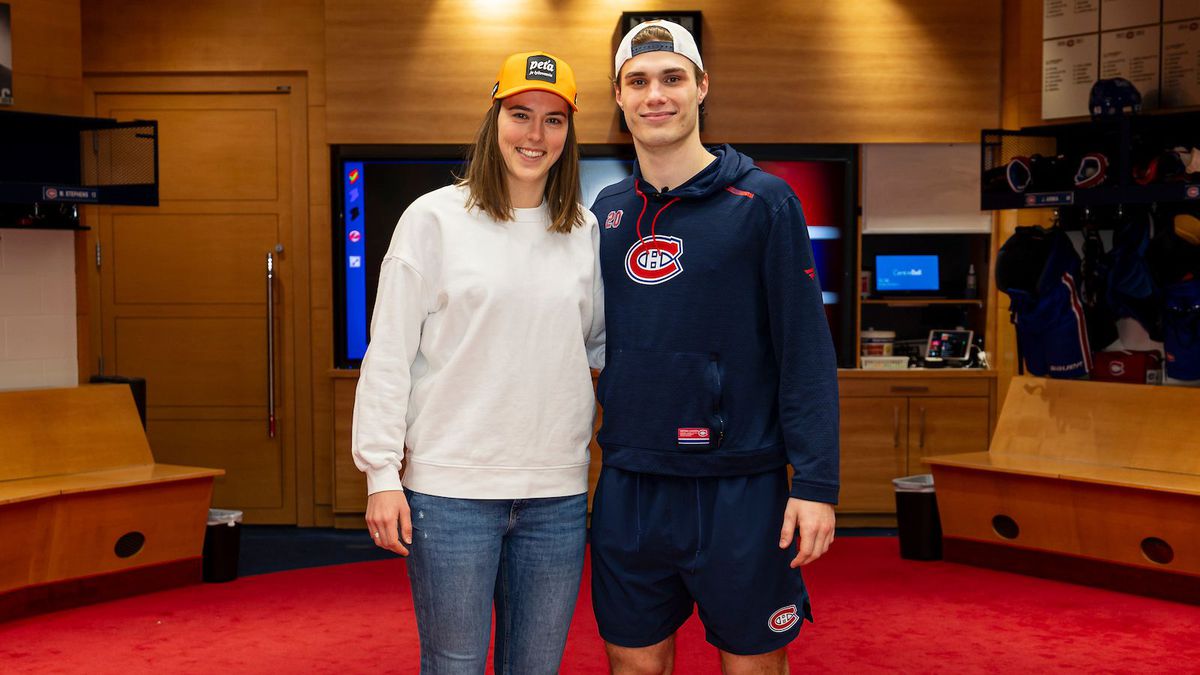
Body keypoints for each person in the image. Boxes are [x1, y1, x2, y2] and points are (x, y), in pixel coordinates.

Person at [588, 20, 839, 674]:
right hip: (631, 482)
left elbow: (805, 354)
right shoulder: (605, 216)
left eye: (672, 77)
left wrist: (815, 483)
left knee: (752, 665)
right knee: (633, 663)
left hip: (740, 485)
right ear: (619, 98)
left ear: (702, 86)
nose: (655, 95)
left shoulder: (761, 202)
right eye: (637, 81)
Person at [351, 50, 604, 674]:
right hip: (451, 494)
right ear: (494, 121)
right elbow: (387, 355)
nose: (535, 134)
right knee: (455, 663)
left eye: (553, 120)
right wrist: (381, 473)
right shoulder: (432, 219)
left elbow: (595, 347)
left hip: (557, 496)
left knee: (536, 667)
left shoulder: (584, 230)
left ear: (568, 134)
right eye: (521, 114)